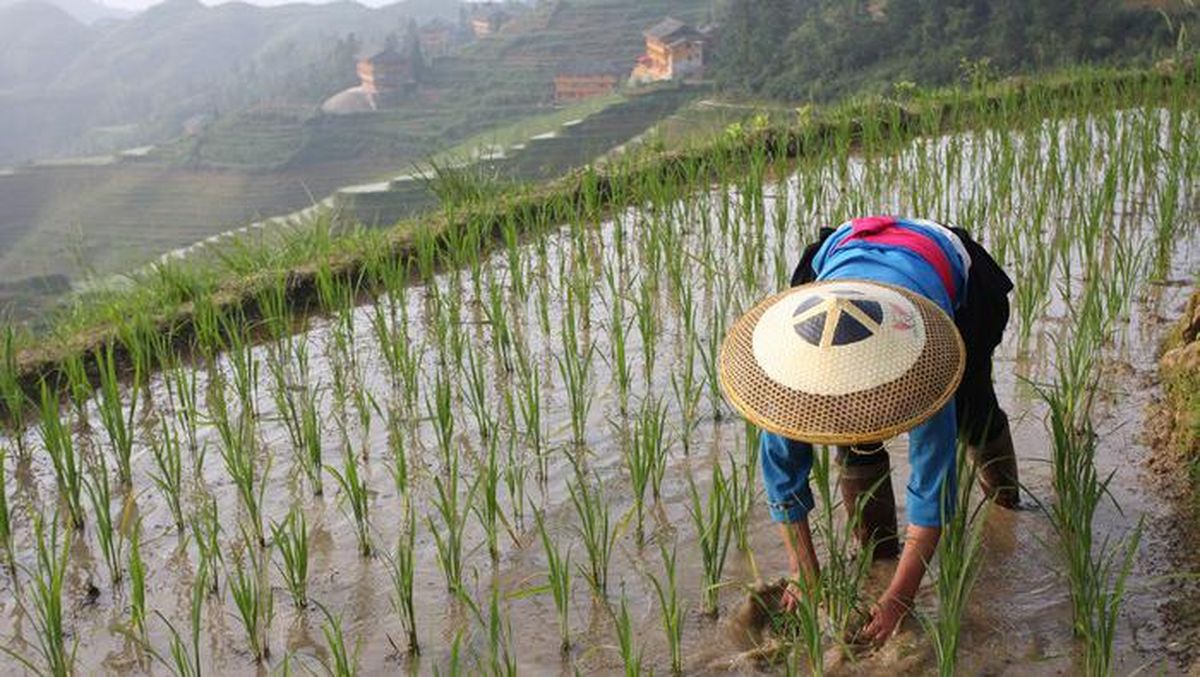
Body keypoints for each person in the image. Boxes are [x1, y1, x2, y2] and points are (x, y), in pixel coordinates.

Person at [755, 215, 1020, 645]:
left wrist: (900, 597)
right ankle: (878, 554)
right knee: (856, 440)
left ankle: (1007, 501)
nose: (847, 404)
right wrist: (803, 571)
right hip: (843, 268)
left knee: (974, 410)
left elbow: (933, 488)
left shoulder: (925, 362)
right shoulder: (793, 379)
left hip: (945, 271)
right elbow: (782, 475)